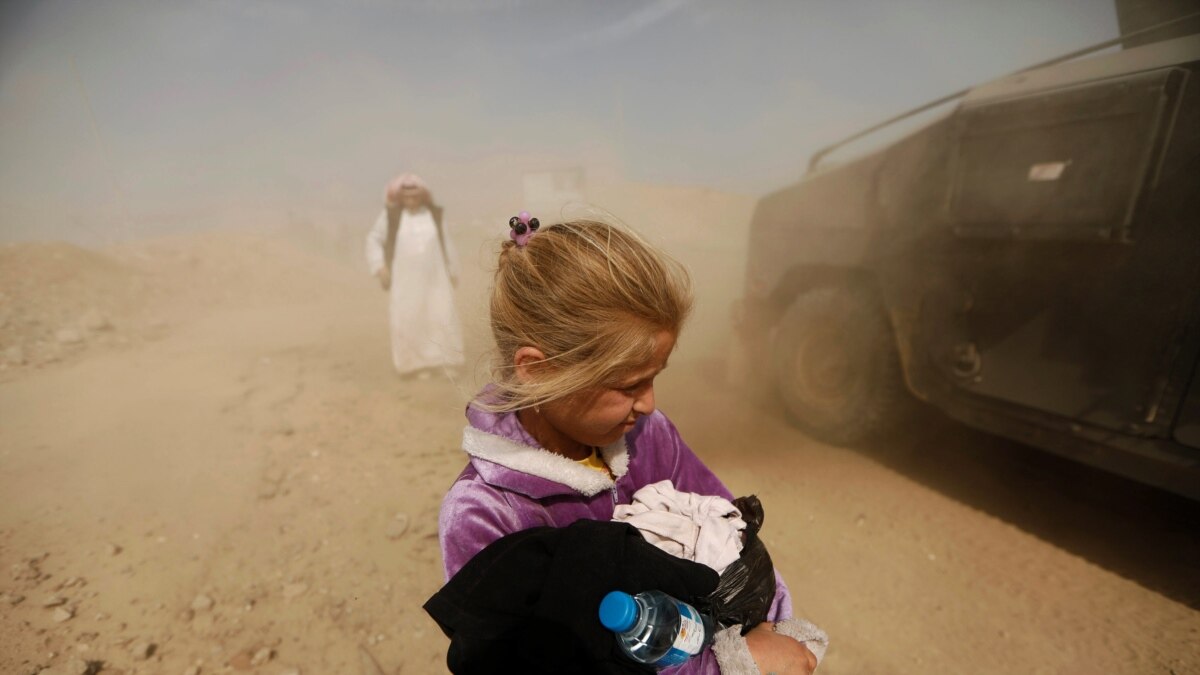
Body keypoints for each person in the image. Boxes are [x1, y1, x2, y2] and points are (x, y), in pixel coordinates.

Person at [437, 214, 825, 674]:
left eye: (654, 378)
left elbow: (731, 536)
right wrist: (731, 667)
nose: (649, 403)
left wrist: (769, 627)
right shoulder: (486, 514)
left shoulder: (650, 434)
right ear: (540, 371)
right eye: (629, 385)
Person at [365, 173, 464, 378]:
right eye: (406, 195)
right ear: (400, 197)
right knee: (410, 316)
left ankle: (445, 362)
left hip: (436, 277)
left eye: (415, 195)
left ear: (422, 196)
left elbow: (447, 243)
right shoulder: (391, 217)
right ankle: (417, 366)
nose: (411, 199)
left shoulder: (433, 216)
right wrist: (379, 266)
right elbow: (373, 239)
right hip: (405, 280)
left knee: (441, 313)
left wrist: (453, 270)